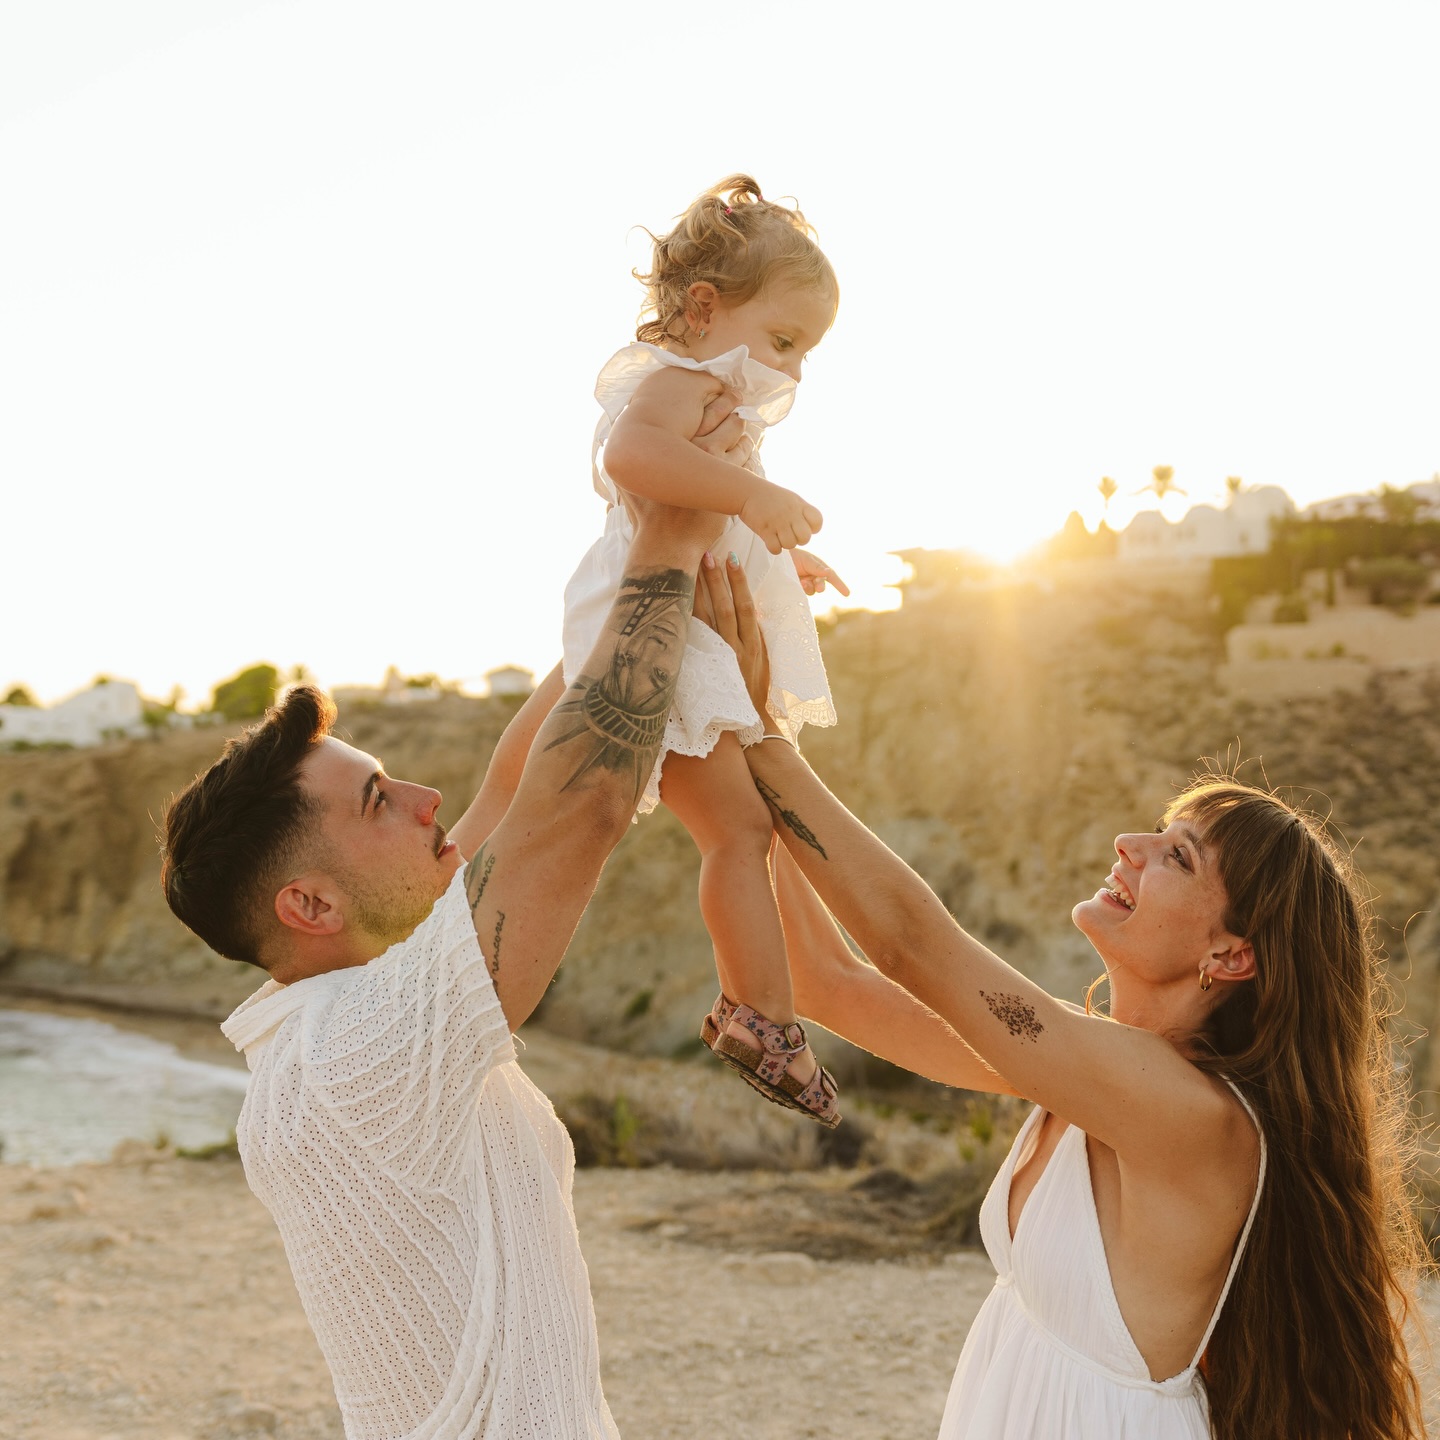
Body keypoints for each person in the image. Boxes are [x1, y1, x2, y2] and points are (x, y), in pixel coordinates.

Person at [692, 555, 1429, 1439]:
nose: (1130, 845)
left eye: (1178, 856)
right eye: (1158, 834)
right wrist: (737, 755)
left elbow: (909, 946)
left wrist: (762, 730)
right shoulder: (1096, 1074)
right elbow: (831, 983)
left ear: (1231, 957)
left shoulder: (1191, 1117)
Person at [157, 437, 738, 1439]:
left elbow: (515, 787)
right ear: (311, 908)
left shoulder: (343, 1019)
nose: (429, 800)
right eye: (380, 801)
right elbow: (580, 804)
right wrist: (675, 532)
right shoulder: (352, 1054)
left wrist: (670, 566)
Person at [561, 173, 846, 1126]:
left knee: (740, 829)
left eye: (804, 353)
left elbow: (705, 507)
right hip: (663, 629)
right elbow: (633, 463)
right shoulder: (677, 387)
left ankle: (760, 1012)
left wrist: (782, 557)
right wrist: (757, 501)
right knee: (738, 830)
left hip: (694, 619)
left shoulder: (710, 396)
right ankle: (760, 1015)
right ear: (702, 307)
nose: (792, 373)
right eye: (784, 341)